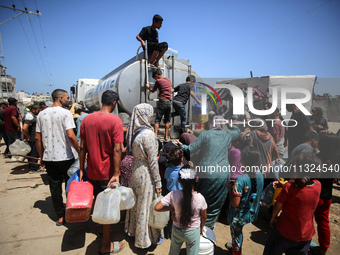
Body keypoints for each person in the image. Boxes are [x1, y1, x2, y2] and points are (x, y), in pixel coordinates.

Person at [79, 90, 125, 254]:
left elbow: (82, 147)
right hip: (108, 173)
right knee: (108, 208)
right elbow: (117, 149)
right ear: (114, 103)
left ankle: (100, 229)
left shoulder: (86, 119)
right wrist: (117, 173)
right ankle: (106, 246)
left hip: (92, 170)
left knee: (98, 201)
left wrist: (81, 169)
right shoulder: (115, 120)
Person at [179, 116, 241, 229]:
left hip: (206, 172)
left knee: (201, 200)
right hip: (223, 173)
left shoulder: (205, 134)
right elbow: (238, 131)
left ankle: (197, 226)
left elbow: (190, 149)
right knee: (216, 204)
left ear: (211, 123)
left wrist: (180, 145)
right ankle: (209, 228)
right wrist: (229, 123)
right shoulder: (227, 135)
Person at [35, 89, 80, 226]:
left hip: (49, 158)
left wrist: (41, 156)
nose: (68, 100)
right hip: (66, 157)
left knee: (54, 188)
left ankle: (60, 216)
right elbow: (71, 135)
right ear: (60, 98)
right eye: (67, 98)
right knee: (70, 185)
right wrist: (80, 150)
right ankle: (71, 212)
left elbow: (37, 138)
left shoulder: (41, 114)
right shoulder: (66, 113)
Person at [263, 153, 322, 255]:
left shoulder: (289, 188)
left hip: (285, 231)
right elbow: (302, 188)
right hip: (306, 235)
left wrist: (273, 217)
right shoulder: (318, 185)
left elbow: (278, 205)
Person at [124, 103, 164, 249]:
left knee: (137, 205)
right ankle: (143, 240)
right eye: (150, 113)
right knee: (145, 207)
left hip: (135, 171)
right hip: (145, 174)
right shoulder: (149, 135)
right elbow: (153, 162)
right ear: (145, 115)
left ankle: (134, 232)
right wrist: (158, 184)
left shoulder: (136, 132)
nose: (152, 116)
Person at [155, 166, 207, 255]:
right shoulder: (200, 198)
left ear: (179, 180)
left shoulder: (173, 194)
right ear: (196, 179)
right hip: (193, 232)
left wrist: (171, 208)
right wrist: (201, 228)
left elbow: (157, 207)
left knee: (173, 252)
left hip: (177, 230)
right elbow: (204, 216)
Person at [226, 146, 264, 255]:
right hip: (251, 212)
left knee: (236, 235)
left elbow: (235, 203)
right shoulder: (260, 174)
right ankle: (235, 247)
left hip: (239, 216)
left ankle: (236, 251)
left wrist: (230, 189)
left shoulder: (240, 180)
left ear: (243, 161)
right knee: (238, 233)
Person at [314, 133, 340, 255]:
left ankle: (302, 241)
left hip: (315, 195)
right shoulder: (335, 159)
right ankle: (323, 248)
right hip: (327, 195)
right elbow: (334, 178)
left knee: (307, 219)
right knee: (323, 222)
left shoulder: (318, 158)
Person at [146, 69, 172, 141]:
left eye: (155, 78)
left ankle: (155, 136)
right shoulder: (169, 80)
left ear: (157, 76)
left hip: (162, 102)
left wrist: (148, 87)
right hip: (169, 102)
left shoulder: (158, 81)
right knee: (167, 121)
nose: (155, 79)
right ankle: (166, 137)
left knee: (157, 120)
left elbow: (153, 90)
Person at [22, 104, 41, 172]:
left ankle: (31, 166)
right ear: (33, 110)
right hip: (32, 138)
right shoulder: (29, 116)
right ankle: (33, 168)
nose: (39, 111)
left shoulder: (30, 116)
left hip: (32, 138)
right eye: (38, 110)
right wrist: (28, 136)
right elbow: (24, 128)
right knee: (34, 153)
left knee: (31, 153)